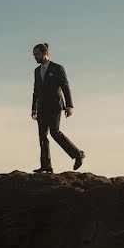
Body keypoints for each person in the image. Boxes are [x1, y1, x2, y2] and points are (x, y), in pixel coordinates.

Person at [30, 42, 84, 173]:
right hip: (41, 107)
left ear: (44, 53)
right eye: (34, 55)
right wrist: (33, 108)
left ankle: (77, 154)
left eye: (36, 54)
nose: (35, 57)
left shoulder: (57, 68)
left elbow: (65, 87)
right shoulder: (36, 71)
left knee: (55, 133)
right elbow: (36, 90)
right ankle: (46, 165)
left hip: (55, 106)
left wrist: (69, 105)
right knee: (42, 136)